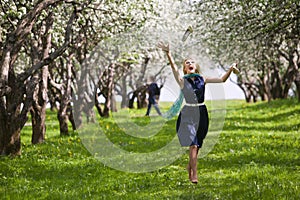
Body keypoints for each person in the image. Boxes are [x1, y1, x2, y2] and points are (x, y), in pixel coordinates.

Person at [157, 41, 239, 184]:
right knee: (193, 144)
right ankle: (194, 174)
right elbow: (173, 68)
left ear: (196, 66)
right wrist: (168, 53)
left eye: (192, 62)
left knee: (198, 145)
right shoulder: (182, 81)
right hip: (188, 113)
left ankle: (189, 167)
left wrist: (231, 69)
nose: (190, 63)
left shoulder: (203, 79)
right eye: (187, 62)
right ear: (185, 68)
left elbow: (221, 80)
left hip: (202, 112)